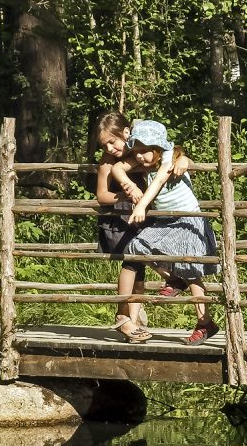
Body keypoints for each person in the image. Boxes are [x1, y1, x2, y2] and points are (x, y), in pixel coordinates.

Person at [111, 120, 221, 346]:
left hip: (189, 220)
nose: (139, 157)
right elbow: (117, 168)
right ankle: (174, 278)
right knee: (137, 247)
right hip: (165, 221)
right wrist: (128, 185)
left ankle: (204, 322)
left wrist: (141, 206)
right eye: (136, 151)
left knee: (191, 270)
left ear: (157, 148)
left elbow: (161, 178)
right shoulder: (145, 159)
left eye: (144, 151)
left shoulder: (169, 156)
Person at [93, 112, 190, 343]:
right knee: (133, 262)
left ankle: (131, 320)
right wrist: (124, 193)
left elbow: (169, 154)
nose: (109, 148)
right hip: (121, 219)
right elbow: (101, 196)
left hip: (141, 218)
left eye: (112, 142)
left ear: (126, 133)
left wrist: (184, 159)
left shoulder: (141, 151)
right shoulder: (108, 163)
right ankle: (124, 318)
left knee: (139, 269)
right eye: (104, 145)